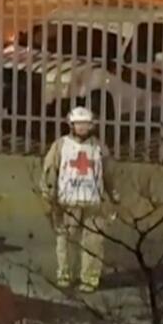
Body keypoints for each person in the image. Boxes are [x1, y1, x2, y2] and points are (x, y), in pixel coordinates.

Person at [40, 107, 119, 292]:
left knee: (93, 242)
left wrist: (113, 193)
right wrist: (48, 194)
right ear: (71, 125)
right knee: (65, 241)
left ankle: (89, 279)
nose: (82, 127)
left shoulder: (99, 148)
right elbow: (50, 170)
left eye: (85, 124)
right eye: (78, 124)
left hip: (93, 202)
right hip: (67, 201)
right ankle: (65, 275)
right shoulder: (60, 145)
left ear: (91, 125)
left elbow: (108, 173)